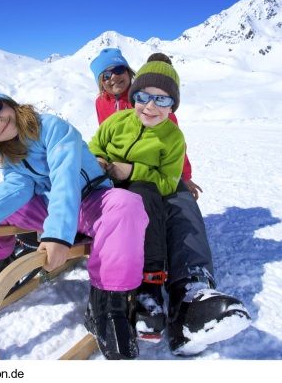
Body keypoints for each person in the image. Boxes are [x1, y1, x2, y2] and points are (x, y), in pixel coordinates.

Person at [0, 84, 148, 360]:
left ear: (5, 102)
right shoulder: (9, 153)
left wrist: (56, 236)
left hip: (90, 203)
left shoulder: (52, 127)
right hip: (52, 211)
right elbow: (17, 189)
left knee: (126, 205)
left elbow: (66, 176)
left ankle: (108, 302)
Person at [89, 51, 251, 355]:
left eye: (118, 71)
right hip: (117, 179)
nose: (113, 78)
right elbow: (97, 144)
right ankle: (140, 287)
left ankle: (192, 291)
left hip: (153, 173)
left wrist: (181, 178)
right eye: (105, 75)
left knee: (179, 201)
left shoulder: (164, 118)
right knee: (144, 203)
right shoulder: (110, 110)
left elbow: (174, 153)